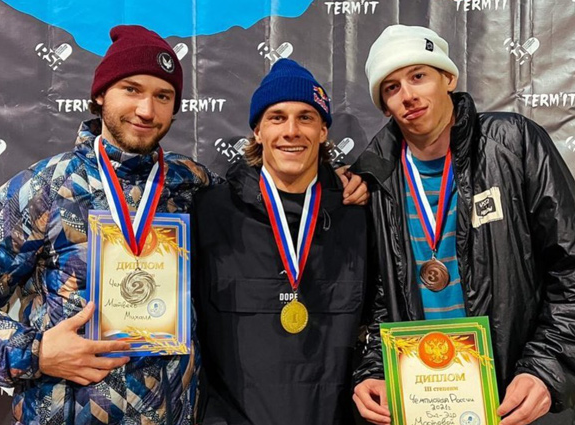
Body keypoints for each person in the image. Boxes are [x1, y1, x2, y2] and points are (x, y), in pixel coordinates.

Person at [0, 25, 220, 425]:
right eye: (131, 89)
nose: (147, 110)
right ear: (101, 94)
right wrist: (35, 352)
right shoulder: (44, 188)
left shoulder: (192, 184)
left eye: (163, 96)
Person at [350, 24, 575, 425]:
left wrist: (545, 366)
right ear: (384, 106)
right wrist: (375, 370)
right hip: (423, 401)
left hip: (514, 394)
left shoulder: (513, 143)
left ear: (448, 78)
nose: (408, 95)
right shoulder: (376, 179)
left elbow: (570, 266)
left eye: (418, 76)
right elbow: (380, 297)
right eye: (392, 88)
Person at [193, 59, 370, 424]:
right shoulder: (209, 213)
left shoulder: (359, 215)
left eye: (306, 117)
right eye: (277, 117)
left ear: (323, 131)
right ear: (257, 131)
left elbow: (383, 317)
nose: (291, 131)